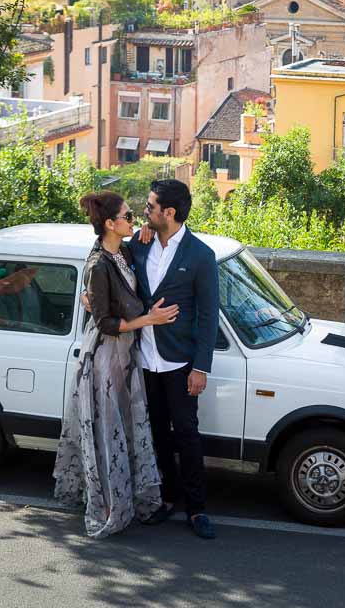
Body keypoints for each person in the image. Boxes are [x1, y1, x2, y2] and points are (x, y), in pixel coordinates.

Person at [53, 191, 179, 538]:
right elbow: (106, 322)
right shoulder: (98, 264)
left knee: (125, 427)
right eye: (127, 217)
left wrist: (146, 233)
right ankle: (108, 506)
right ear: (110, 224)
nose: (133, 220)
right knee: (107, 433)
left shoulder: (123, 251)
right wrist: (149, 320)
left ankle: (124, 497)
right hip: (106, 356)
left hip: (126, 355)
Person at [132, 179, 220, 540]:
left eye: (150, 207)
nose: (146, 211)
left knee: (187, 434)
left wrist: (200, 367)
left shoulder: (201, 255)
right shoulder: (139, 246)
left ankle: (197, 509)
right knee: (157, 434)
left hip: (180, 362)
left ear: (169, 212)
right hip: (144, 359)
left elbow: (208, 315)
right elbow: (109, 265)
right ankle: (167, 499)